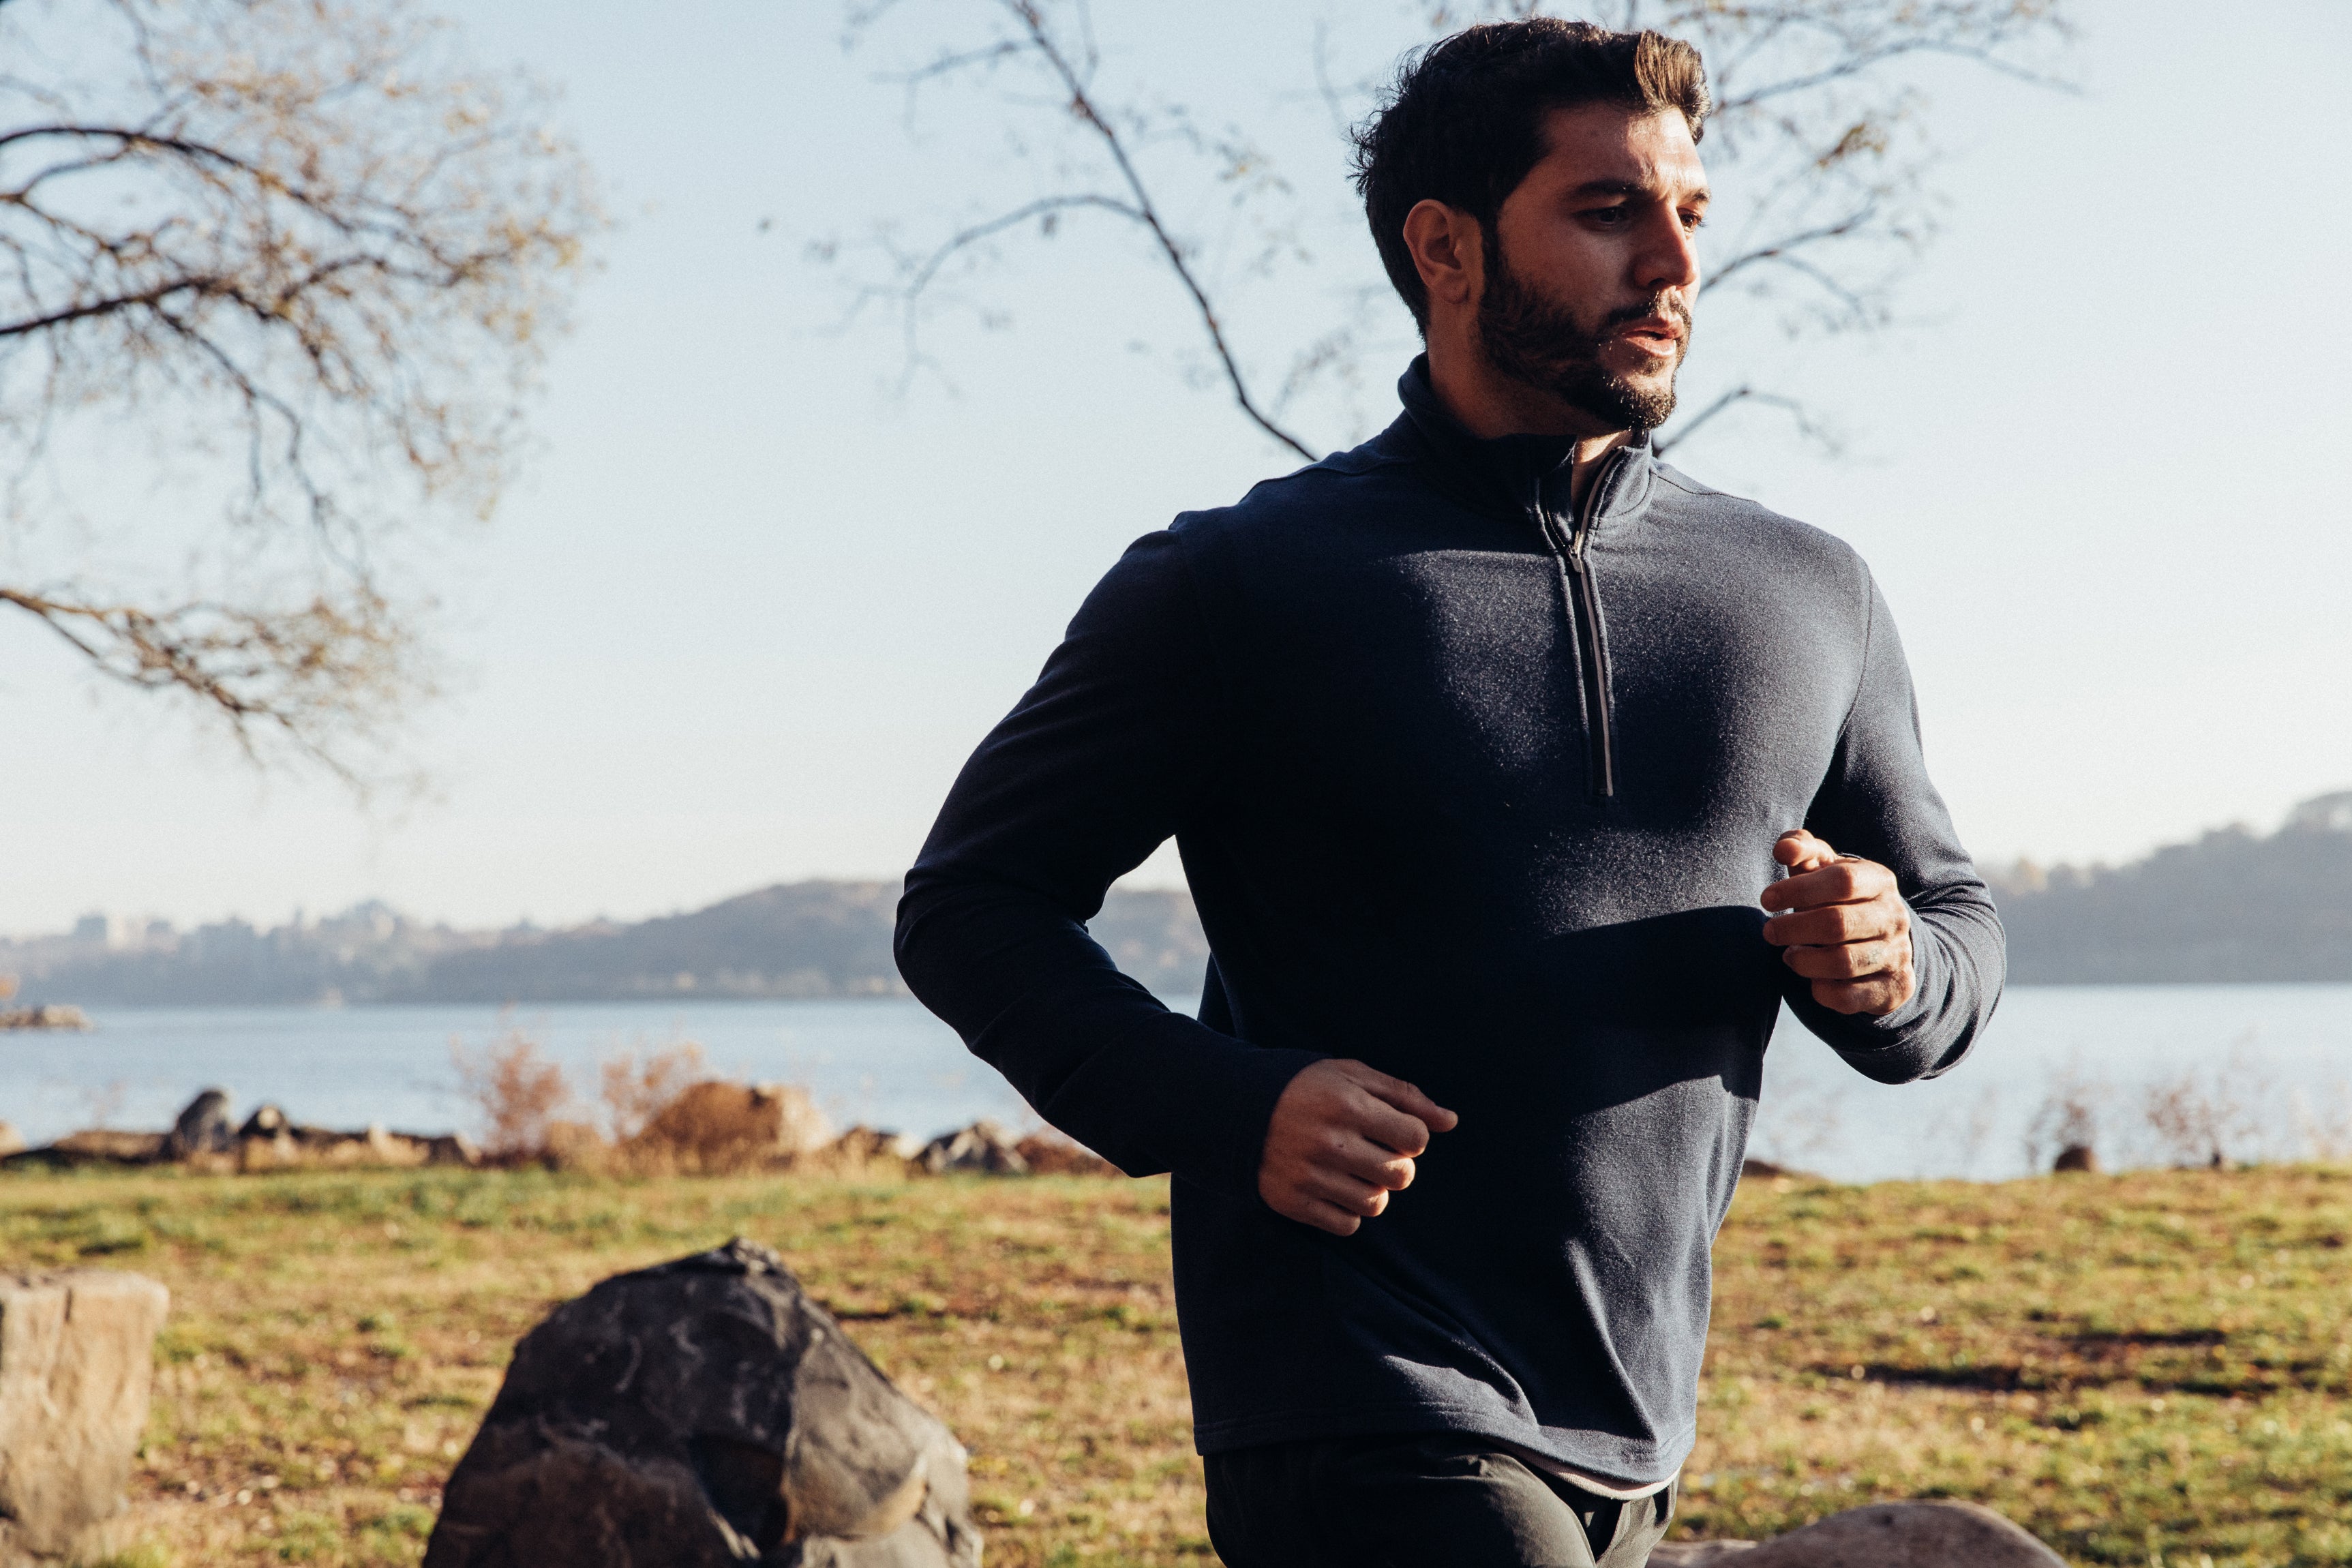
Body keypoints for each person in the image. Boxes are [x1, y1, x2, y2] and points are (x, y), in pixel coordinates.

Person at [894, 18, 2002, 1567]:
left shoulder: (1806, 590)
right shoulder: (1242, 581)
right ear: (1446, 247)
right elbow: (970, 907)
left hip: (1633, 1408)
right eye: (1608, 211)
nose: (1673, 263)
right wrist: (1230, 1103)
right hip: (1355, 1390)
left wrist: (1892, 964)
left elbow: (1954, 925)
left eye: (1690, 211)